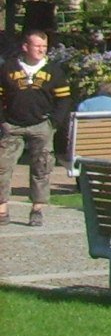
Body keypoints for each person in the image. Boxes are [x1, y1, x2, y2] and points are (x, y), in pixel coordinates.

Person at [0, 32, 69, 227]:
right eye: (37, 46)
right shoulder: (8, 68)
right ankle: (2, 208)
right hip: (12, 125)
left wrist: (53, 123)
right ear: (25, 47)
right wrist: (2, 120)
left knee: (42, 167)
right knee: (2, 167)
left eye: (44, 47)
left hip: (41, 125)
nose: (41, 50)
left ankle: (37, 208)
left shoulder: (54, 71)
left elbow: (63, 99)